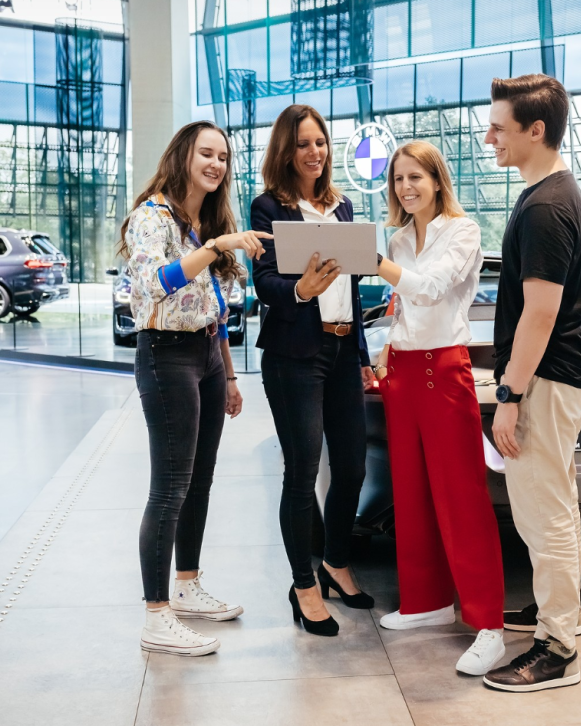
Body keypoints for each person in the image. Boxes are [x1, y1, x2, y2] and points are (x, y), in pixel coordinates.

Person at [120, 121, 270, 656]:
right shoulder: (151, 218)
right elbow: (156, 283)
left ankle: (186, 585)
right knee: (169, 487)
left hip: (206, 354)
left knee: (199, 482)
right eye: (207, 153)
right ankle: (155, 616)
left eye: (224, 157)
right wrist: (215, 246)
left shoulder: (201, 219)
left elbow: (217, 307)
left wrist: (227, 373)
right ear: (183, 153)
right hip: (166, 355)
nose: (216, 164)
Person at [370, 141, 507, 675]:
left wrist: (375, 263)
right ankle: (427, 603)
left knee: (461, 497)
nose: (406, 187)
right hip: (402, 372)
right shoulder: (400, 238)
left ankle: (489, 626)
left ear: (436, 179)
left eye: (415, 177)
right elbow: (404, 307)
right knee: (412, 494)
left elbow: (429, 290)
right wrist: (383, 347)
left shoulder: (463, 230)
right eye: (398, 179)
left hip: (444, 371)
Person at [479, 74, 581, 692]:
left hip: (545, 379)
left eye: (499, 126)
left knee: (543, 509)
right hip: (556, 376)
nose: (488, 135)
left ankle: (556, 648)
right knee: (553, 502)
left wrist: (509, 396)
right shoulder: (549, 194)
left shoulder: (548, 205)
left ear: (536, 130)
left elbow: (543, 312)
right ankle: (560, 618)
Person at [250, 104, 375, 637]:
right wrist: (301, 289)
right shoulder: (268, 208)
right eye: (304, 143)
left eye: (321, 141)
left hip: (345, 351)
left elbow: (351, 287)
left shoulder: (342, 206)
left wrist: (365, 356)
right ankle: (304, 585)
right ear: (286, 150)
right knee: (302, 475)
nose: (315, 151)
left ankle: (335, 561)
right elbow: (263, 282)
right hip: (295, 356)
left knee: (352, 470)